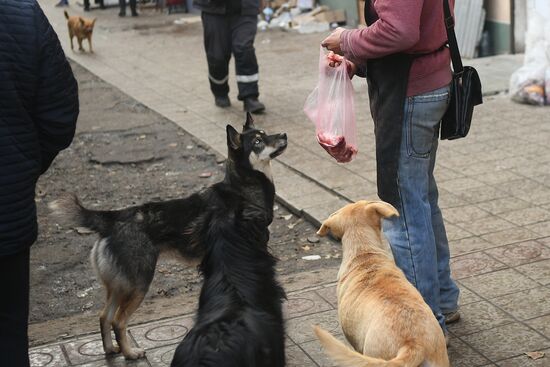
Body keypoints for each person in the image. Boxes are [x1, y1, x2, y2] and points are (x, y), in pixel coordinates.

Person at [322, 0, 460, 339]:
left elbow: (400, 30)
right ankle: (443, 299)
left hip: (411, 95)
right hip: (428, 84)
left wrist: (349, 40)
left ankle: (426, 325)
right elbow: (418, 24)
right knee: (421, 198)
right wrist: (358, 60)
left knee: (403, 211)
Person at [0, 1, 79, 366]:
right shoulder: (20, 12)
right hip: (6, 217)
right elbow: (59, 114)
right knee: (8, 336)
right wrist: (23, 168)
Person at [193, 0, 266, 113]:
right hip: (213, 9)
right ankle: (220, 91)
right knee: (217, 56)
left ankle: (250, 97)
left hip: (246, 8)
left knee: (244, 48)